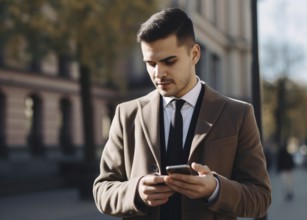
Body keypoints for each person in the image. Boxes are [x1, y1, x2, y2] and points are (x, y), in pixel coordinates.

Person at [93, 8, 271, 220]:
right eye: (150, 64)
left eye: (169, 61)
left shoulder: (238, 114)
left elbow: (260, 197)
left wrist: (216, 188)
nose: (158, 73)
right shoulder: (126, 114)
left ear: (194, 54)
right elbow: (102, 189)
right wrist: (137, 191)